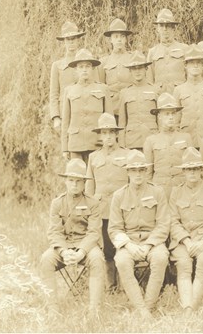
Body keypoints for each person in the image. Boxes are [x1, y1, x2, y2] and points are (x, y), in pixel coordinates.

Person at [108, 150, 170, 318]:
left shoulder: (157, 192)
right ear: (128, 172)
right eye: (134, 170)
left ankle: (147, 307)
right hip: (129, 242)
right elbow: (114, 228)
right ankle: (141, 308)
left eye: (141, 169)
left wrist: (150, 244)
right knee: (121, 261)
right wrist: (128, 245)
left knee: (160, 258)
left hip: (153, 241)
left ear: (146, 171)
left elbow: (163, 224)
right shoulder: (119, 196)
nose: (138, 174)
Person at [39, 159, 106, 314]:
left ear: (84, 183)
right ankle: (53, 308)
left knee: (97, 259)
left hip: (86, 248)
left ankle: (94, 310)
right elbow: (55, 231)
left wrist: (81, 252)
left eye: (78, 181)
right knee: (46, 259)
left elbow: (94, 232)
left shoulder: (93, 203)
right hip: (64, 247)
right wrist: (63, 251)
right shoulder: (57, 203)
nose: (74, 184)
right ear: (66, 182)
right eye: (71, 180)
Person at [167, 148, 203, 310]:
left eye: (195, 169)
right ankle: (187, 306)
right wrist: (186, 242)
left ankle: (191, 306)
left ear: (201, 170)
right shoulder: (176, 192)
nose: (192, 173)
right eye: (188, 169)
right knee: (184, 265)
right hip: (182, 241)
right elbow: (172, 221)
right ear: (184, 172)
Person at [86, 113, 130, 285]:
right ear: (100, 135)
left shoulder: (127, 155)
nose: (108, 136)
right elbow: (89, 188)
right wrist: (90, 210)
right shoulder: (93, 157)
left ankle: (125, 282)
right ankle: (111, 284)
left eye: (111, 132)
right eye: (104, 133)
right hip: (102, 210)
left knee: (123, 245)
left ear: (116, 134)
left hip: (123, 209)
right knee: (108, 249)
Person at [61, 49, 111, 160]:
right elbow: (65, 121)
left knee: (96, 176)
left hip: (97, 143)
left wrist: (109, 144)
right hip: (75, 143)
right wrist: (65, 148)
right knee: (77, 174)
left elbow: (109, 121)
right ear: (76, 70)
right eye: (81, 67)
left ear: (93, 68)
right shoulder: (69, 90)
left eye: (87, 66)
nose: (84, 70)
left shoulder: (103, 89)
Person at [144, 93, 194, 188]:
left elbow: (192, 168)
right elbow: (148, 173)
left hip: (182, 186)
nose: (171, 117)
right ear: (159, 116)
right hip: (160, 187)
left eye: (173, 113)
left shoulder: (186, 138)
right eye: (167, 114)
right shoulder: (150, 140)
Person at [174, 47, 203, 142]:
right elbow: (176, 120)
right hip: (187, 136)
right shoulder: (178, 90)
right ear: (185, 66)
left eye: (198, 63)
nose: (195, 66)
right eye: (191, 63)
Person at [117, 52, 158, 150]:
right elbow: (122, 122)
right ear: (130, 71)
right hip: (132, 141)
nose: (137, 71)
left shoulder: (155, 90)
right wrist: (122, 144)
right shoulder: (124, 92)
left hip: (152, 138)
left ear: (146, 69)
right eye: (134, 69)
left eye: (140, 68)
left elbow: (160, 118)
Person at [49, 21, 85, 131]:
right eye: (68, 39)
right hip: (65, 112)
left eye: (73, 38)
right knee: (67, 145)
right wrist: (56, 117)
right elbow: (54, 93)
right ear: (64, 41)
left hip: (84, 111)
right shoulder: (57, 66)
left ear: (78, 39)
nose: (71, 42)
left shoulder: (86, 63)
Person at [150, 9, 191, 93]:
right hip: (160, 97)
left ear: (173, 28)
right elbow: (150, 81)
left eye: (168, 25)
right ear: (157, 29)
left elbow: (190, 76)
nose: (165, 29)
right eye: (161, 25)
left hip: (181, 95)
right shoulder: (152, 52)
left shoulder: (185, 49)